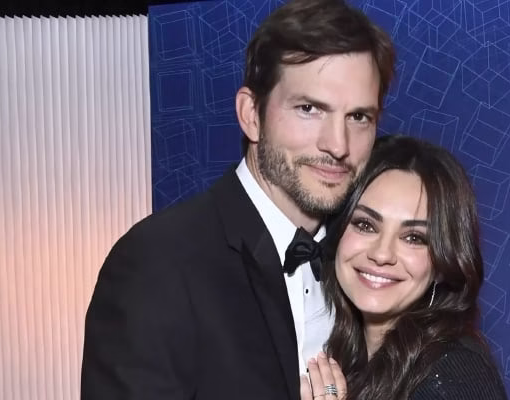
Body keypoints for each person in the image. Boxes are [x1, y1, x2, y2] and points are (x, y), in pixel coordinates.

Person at [80, 0, 395, 398]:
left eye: (359, 117)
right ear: (251, 114)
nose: (338, 145)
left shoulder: (367, 263)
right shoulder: (159, 262)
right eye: (309, 109)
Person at [302, 135, 507, 399]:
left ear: (443, 264)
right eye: (365, 225)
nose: (381, 254)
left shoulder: (454, 377)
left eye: (413, 238)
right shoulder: (344, 353)